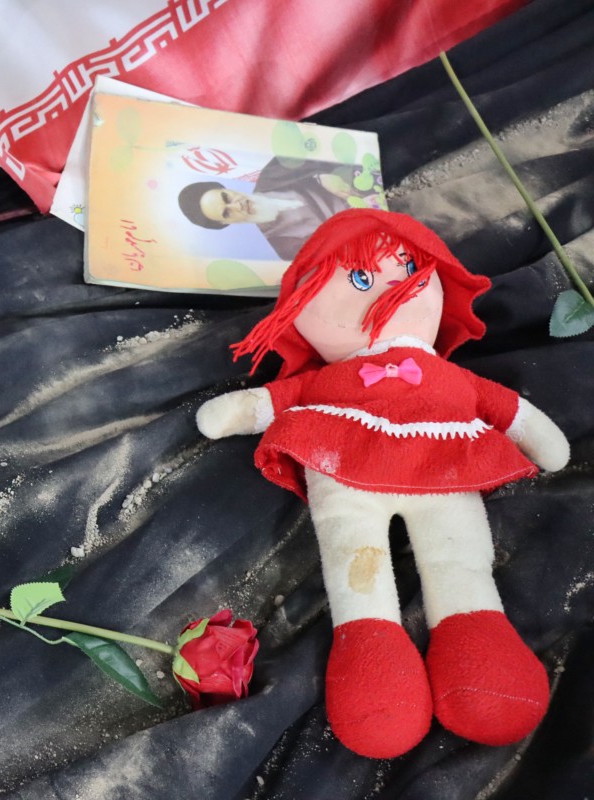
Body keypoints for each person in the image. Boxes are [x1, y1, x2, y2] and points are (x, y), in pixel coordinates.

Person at [196, 209, 567, 758]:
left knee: (460, 559)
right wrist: (237, 410)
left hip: (445, 467)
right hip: (345, 466)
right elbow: (271, 401)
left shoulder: (448, 376)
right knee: (356, 564)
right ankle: (371, 656)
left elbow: (506, 409)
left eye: (410, 269)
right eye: (360, 276)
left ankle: (480, 641)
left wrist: (541, 439)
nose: (393, 286)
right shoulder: (328, 379)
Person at [179, 158, 377, 259]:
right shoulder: (280, 248)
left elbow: (322, 156)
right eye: (227, 212)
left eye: (226, 198)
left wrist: (322, 176)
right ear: (226, 223)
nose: (237, 204)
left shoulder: (272, 172)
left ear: (227, 188)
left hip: (365, 182)